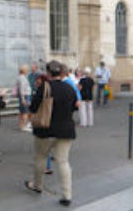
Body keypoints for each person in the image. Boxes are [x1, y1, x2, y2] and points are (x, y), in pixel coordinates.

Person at [25, 60, 77, 207]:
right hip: (66, 130)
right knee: (63, 161)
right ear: (60, 73)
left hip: (45, 129)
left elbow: (33, 107)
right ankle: (67, 195)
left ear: (48, 73)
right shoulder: (69, 88)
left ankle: (38, 185)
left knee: (40, 158)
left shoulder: (44, 87)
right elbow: (74, 107)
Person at [17, 65, 32, 132]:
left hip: (22, 96)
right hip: (25, 96)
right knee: (25, 112)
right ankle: (24, 126)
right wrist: (23, 99)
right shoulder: (23, 78)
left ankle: (21, 125)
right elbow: (22, 89)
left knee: (21, 112)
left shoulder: (19, 77)